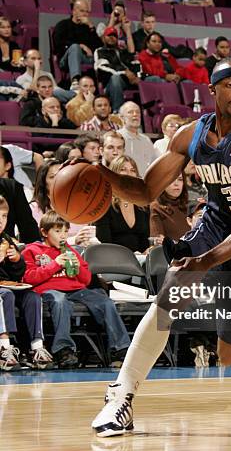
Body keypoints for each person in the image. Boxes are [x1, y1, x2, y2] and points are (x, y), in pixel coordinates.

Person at [89, 57, 231, 436]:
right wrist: (103, 176)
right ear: (211, 91)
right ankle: (122, 397)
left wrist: (204, 262)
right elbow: (146, 191)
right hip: (215, 225)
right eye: (230, 85)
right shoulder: (190, 135)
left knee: (228, 357)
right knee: (170, 297)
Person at [22, 211, 130, 368]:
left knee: (104, 301)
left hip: (76, 290)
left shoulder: (70, 250)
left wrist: (78, 267)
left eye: (65, 231)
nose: (63, 236)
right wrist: (55, 264)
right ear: (44, 232)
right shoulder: (32, 250)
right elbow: (29, 278)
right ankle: (63, 349)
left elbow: (85, 280)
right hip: (49, 290)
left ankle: (121, 348)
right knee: (60, 302)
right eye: (57, 231)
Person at [0, 194, 54, 371]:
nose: (1, 221)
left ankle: (37, 347)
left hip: (8, 285)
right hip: (2, 291)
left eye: (4, 216)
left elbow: (17, 274)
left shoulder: (7, 240)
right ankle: (4, 347)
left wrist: (16, 260)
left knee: (32, 296)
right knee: (4, 295)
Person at [95, 156, 150, 253]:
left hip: (140, 261)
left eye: (132, 170)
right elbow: (104, 242)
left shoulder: (143, 206)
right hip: (113, 260)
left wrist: (146, 251)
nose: (129, 174)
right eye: (123, 169)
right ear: (113, 174)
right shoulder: (104, 204)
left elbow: (144, 240)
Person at [53, 0, 102, 88]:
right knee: (75, 47)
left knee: (103, 56)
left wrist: (91, 26)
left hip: (86, 58)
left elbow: (99, 46)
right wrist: (81, 46)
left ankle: (102, 88)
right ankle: (75, 81)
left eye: (87, 12)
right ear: (74, 11)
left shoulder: (88, 28)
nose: (85, 14)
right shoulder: (63, 24)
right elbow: (58, 43)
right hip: (66, 59)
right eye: (82, 11)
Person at [94, 26, 140, 112]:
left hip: (127, 82)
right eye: (109, 35)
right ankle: (118, 112)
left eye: (114, 36)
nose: (112, 38)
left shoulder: (122, 51)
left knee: (151, 79)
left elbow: (134, 63)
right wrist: (124, 72)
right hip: (109, 84)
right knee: (116, 78)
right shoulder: (100, 51)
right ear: (104, 38)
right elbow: (101, 67)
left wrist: (137, 76)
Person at [118, 102, 156, 176]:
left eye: (138, 112)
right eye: (130, 112)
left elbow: (153, 163)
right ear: (122, 117)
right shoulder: (117, 137)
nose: (135, 115)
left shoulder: (146, 139)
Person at [150, 174, 190, 241]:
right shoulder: (156, 207)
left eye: (180, 179)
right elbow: (158, 242)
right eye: (171, 180)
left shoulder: (190, 205)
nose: (176, 184)